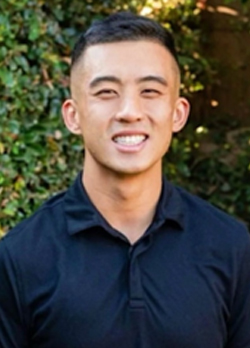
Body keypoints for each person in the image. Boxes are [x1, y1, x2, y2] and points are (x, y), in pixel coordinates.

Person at [0, 11, 250, 348]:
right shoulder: (18, 258)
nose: (129, 111)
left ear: (177, 113)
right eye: (106, 92)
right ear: (73, 116)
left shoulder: (232, 246)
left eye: (150, 91)